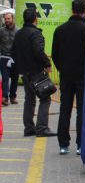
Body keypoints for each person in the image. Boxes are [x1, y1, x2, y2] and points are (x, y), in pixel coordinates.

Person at [11, 8, 56, 137]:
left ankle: (29, 128)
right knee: (45, 98)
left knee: (29, 99)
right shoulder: (35, 34)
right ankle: (42, 128)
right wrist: (47, 63)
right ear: (35, 19)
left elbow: (13, 52)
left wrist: (21, 66)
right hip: (36, 71)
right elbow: (38, 51)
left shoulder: (19, 34)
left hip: (25, 72)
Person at [51, 0, 85, 155]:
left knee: (64, 109)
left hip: (65, 76)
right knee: (82, 110)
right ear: (84, 10)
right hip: (82, 76)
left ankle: (63, 144)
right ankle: (81, 144)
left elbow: (55, 55)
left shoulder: (60, 30)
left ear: (72, 10)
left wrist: (62, 69)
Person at [0, 12, 19, 106]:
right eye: (5, 19)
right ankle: (5, 97)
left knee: (15, 78)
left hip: (15, 58)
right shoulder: (1, 31)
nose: (7, 20)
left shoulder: (18, 30)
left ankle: (13, 96)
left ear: (12, 19)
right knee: (5, 78)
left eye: (8, 18)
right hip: (4, 58)